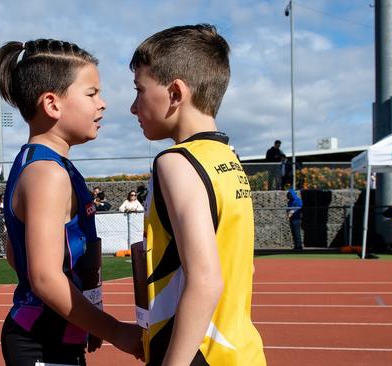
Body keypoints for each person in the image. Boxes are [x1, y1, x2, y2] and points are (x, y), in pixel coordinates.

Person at [0, 38, 143, 365]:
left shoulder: (40, 164)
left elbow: (14, 252)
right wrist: (115, 331)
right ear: (52, 104)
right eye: (91, 93)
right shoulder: (48, 174)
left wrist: (83, 318)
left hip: (54, 336)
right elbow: (45, 277)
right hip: (41, 342)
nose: (102, 103)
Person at [129, 24, 266, 364]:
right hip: (240, 350)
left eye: (139, 90)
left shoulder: (175, 163)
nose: (134, 107)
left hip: (199, 353)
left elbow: (205, 280)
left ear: (175, 93)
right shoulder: (228, 159)